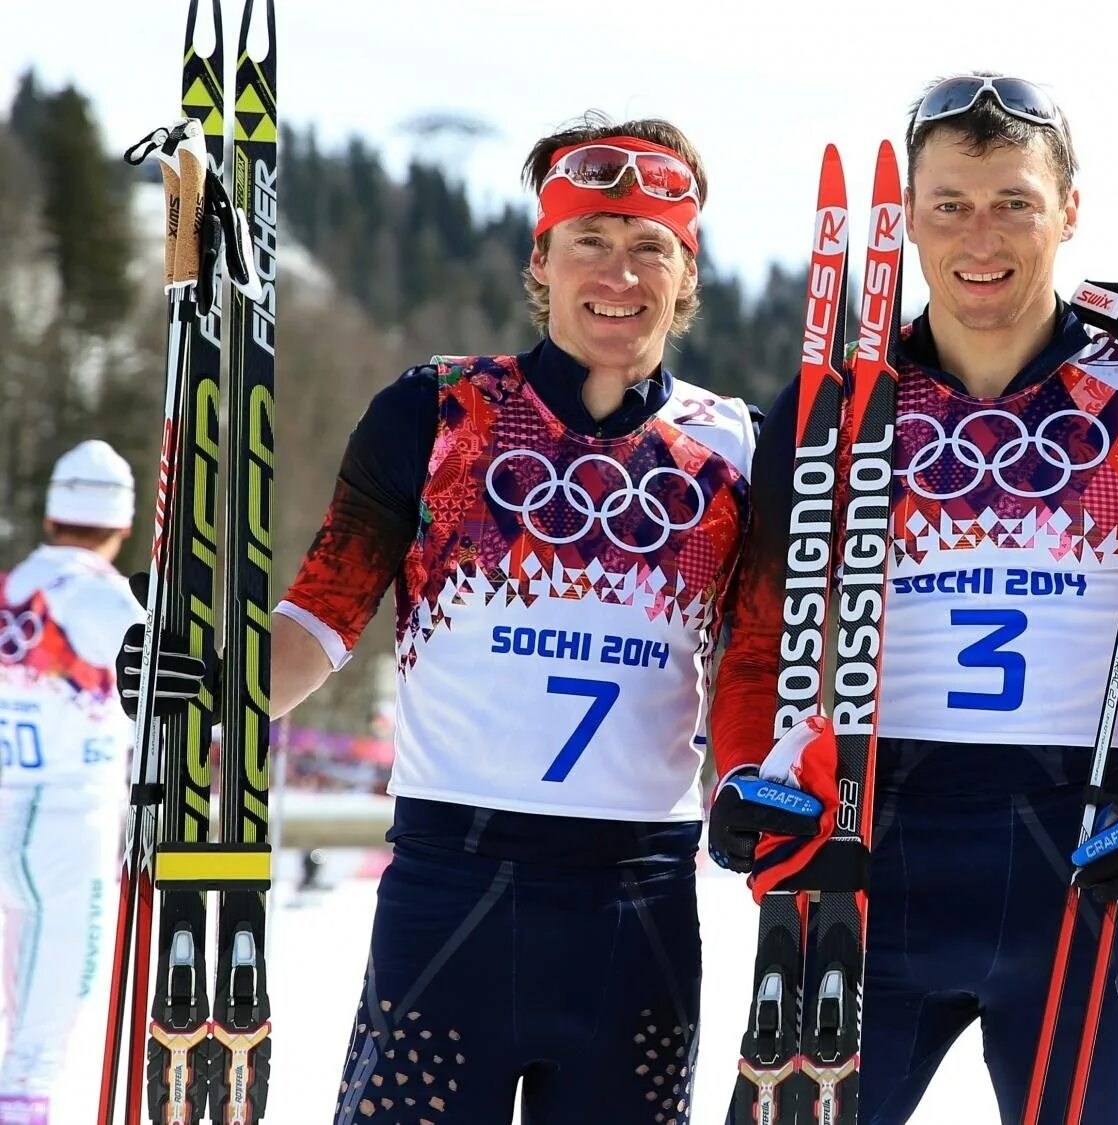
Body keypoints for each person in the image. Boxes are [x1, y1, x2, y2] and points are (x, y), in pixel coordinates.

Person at [708, 74, 1118, 1124]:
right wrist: (737, 776)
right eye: (947, 203)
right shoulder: (832, 406)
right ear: (907, 215)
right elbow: (759, 644)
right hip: (865, 848)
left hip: (1077, 859)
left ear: (1069, 212)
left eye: (1013, 202)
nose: (977, 236)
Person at [125, 112, 753, 1124]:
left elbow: (764, 663)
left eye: (651, 248)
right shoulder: (435, 412)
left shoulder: (738, 449)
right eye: (590, 240)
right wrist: (208, 691)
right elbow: (322, 620)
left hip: (638, 905)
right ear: (540, 259)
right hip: (451, 887)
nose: (619, 273)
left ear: (688, 275)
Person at [0, 440, 144, 1125]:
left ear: (55, 513)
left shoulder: (13, 587)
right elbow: (167, 686)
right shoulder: (99, 596)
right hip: (70, 822)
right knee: (57, 1000)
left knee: (18, 1003)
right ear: (120, 523)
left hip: (5, 813)